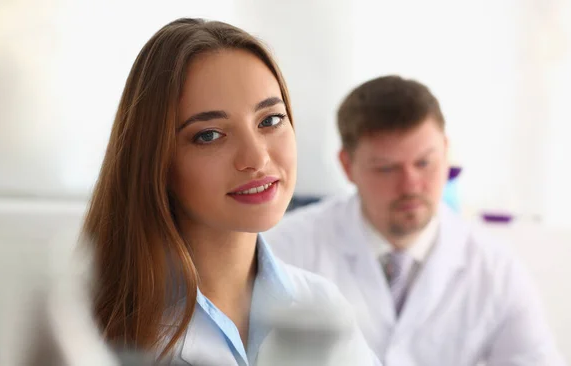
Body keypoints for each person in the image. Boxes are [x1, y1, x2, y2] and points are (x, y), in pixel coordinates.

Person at [47, 18, 381, 366]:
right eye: (209, 135)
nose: (256, 158)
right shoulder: (87, 326)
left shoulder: (323, 306)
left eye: (270, 120)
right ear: (155, 159)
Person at [263, 75, 566, 365]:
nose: (410, 186)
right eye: (385, 168)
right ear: (347, 165)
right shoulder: (285, 249)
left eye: (424, 162)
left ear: (446, 151)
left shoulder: (494, 269)